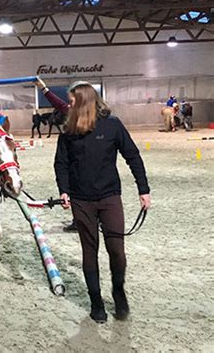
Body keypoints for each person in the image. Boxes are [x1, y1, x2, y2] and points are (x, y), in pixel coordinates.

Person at [54, 83, 151, 323]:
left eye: (73, 101)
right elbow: (61, 164)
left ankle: (118, 291)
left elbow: (133, 155)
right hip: (81, 199)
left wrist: (143, 189)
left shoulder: (112, 125)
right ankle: (96, 300)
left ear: (84, 101)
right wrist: (64, 190)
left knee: (117, 250)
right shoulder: (68, 131)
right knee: (90, 250)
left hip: (109, 197)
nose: (69, 105)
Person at [35, 77, 77, 232]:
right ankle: (80, 219)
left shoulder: (74, 112)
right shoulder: (71, 111)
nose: (69, 103)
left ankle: (82, 220)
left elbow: (59, 104)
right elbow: (58, 103)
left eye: (72, 100)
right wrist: (44, 89)